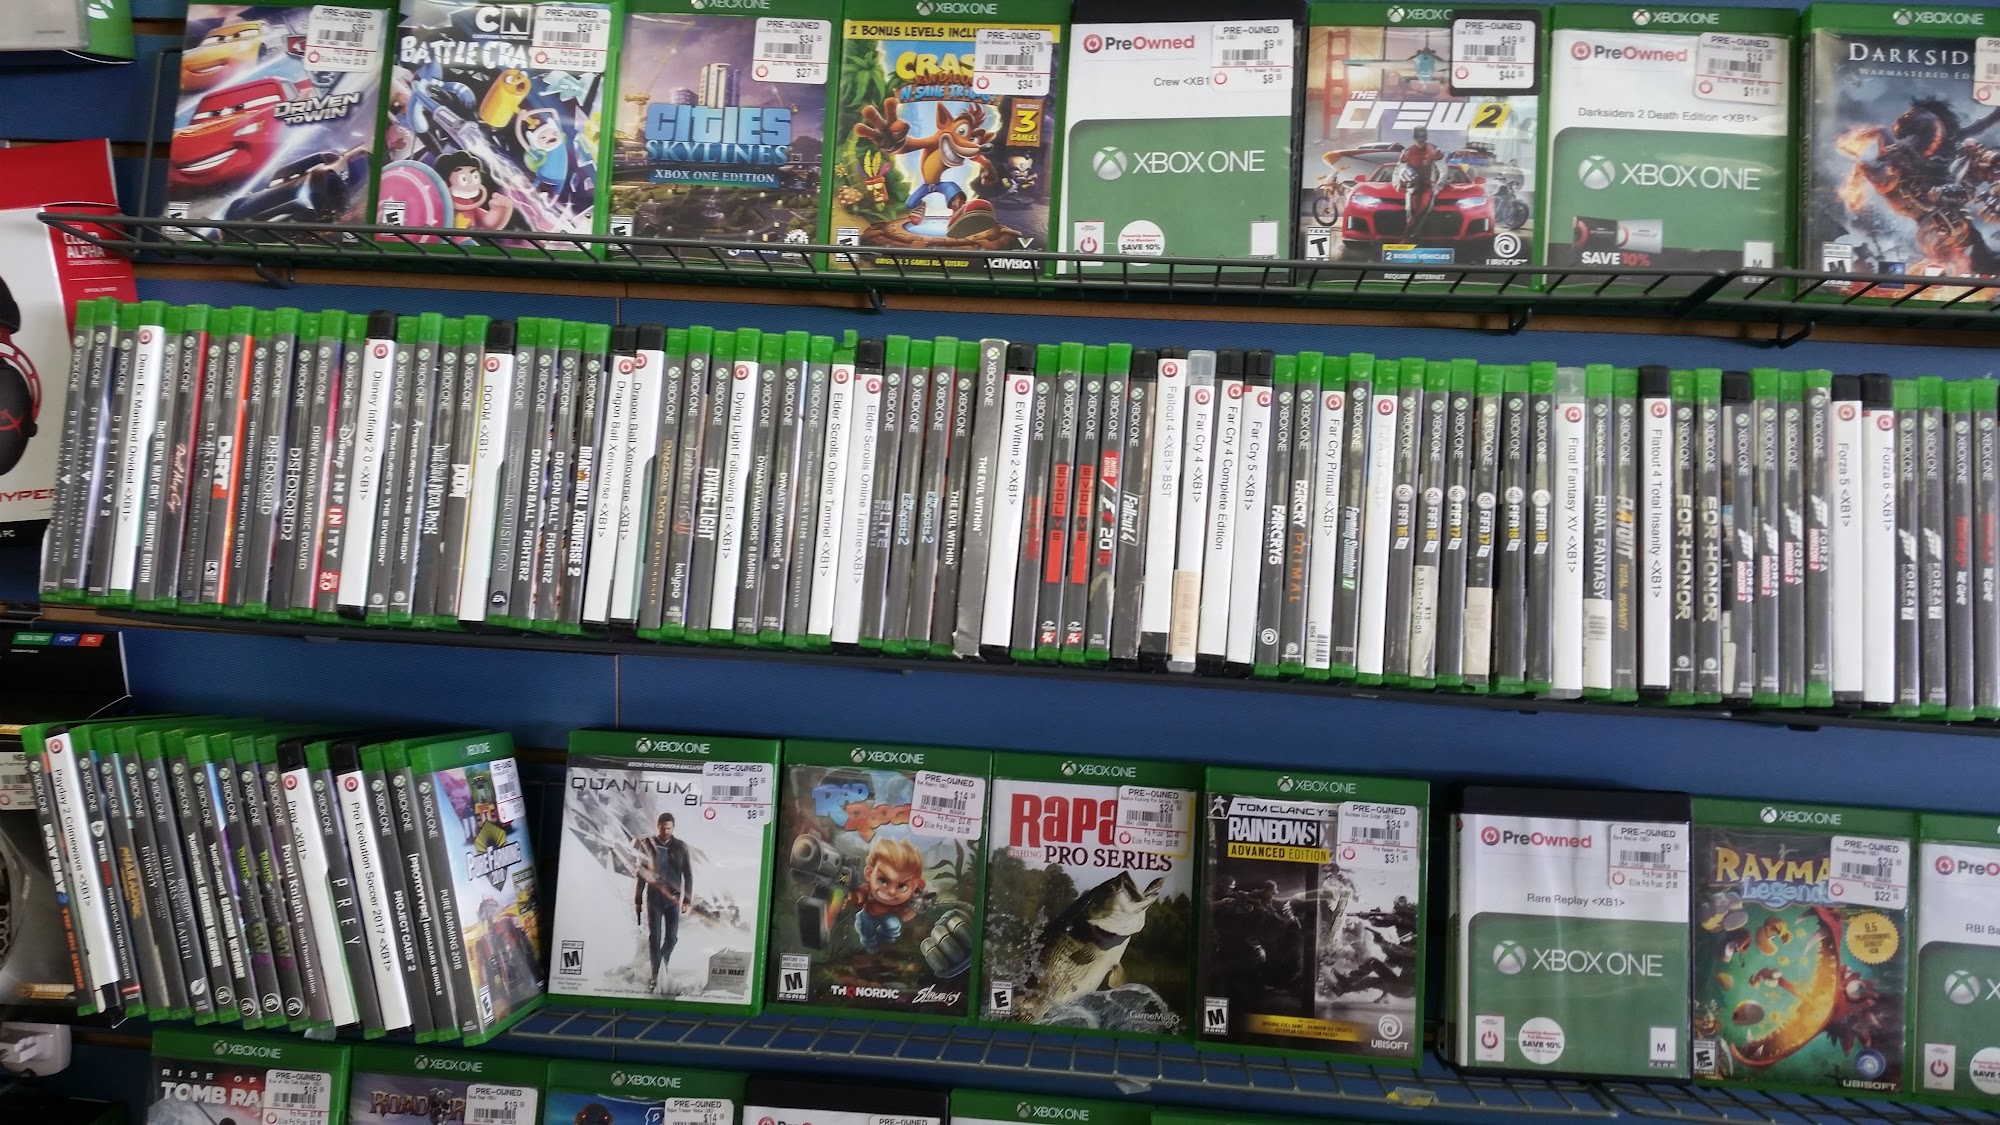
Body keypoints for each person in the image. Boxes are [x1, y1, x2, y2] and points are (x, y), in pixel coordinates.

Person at [634, 812, 693, 992]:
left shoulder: (681, 846)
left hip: (673, 900)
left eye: (669, 828)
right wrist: (638, 900)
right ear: (657, 826)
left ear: (673, 827)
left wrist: (687, 900)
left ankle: (660, 965)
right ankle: (656, 975)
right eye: (663, 828)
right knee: (655, 937)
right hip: (654, 899)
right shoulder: (648, 845)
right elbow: (641, 875)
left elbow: (688, 875)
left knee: (672, 938)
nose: (666, 831)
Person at [853, 835, 924, 953]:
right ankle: (870, 946)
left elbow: (922, 891)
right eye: (883, 880)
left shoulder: (914, 888)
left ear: (913, 886)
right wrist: (854, 898)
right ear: (869, 874)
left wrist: (912, 910)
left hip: (889, 915)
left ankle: (884, 944)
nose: (892, 892)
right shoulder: (868, 890)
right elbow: (860, 895)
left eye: (901, 886)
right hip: (869, 915)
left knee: (894, 928)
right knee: (867, 933)